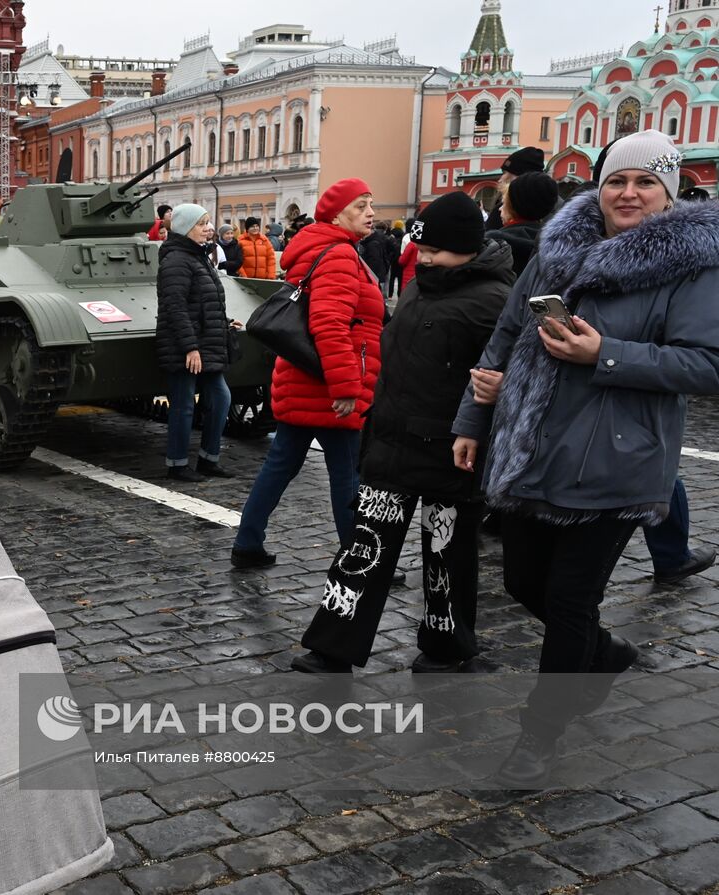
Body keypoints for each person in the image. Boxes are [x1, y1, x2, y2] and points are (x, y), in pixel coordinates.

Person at [452, 131, 719, 785]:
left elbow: (705, 363)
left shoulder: (694, 263)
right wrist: (472, 413)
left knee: (570, 600)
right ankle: (603, 655)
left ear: (670, 190)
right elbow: (510, 329)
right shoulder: (559, 247)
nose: (628, 193)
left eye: (645, 182)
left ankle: (537, 737)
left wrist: (604, 354)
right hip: (534, 445)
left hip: (617, 457)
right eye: (616, 180)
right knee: (521, 583)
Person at [291, 191, 514, 673]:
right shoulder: (421, 285)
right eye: (423, 250)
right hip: (392, 441)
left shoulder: (495, 299)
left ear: (467, 248)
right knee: (363, 551)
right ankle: (331, 648)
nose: (425, 259)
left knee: (448, 557)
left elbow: (509, 373)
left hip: (452, 450)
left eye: (436, 251)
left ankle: (446, 648)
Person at [230, 179, 383, 568]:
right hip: (329, 385)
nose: (371, 213)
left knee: (280, 465)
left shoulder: (325, 249)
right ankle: (358, 558)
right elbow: (330, 324)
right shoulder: (340, 255)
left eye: (371, 205)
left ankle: (248, 543)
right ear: (336, 213)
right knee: (347, 474)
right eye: (361, 205)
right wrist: (347, 385)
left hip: (303, 379)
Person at [156, 204, 240, 483]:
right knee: (183, 404)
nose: (209, 228)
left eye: (208, 222)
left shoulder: (198, 256)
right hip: (186, 345)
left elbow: (206, 301)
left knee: (220, 398)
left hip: (206, 343)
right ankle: (177, 464)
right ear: (184, 227)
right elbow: (175, 307)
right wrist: (190, 347)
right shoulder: (177, 260)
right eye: (201, 223)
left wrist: (225, 323)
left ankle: (208, 459)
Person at [485, 172, 559, 275]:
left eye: (504, 203)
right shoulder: (553, 247)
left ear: (514, 207)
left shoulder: (493, 245)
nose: (500, 209)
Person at [485, 146, 546, 230]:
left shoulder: (507, 209)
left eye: (505, 173)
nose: (500, 179)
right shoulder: (551, 205)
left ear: (519, 178)